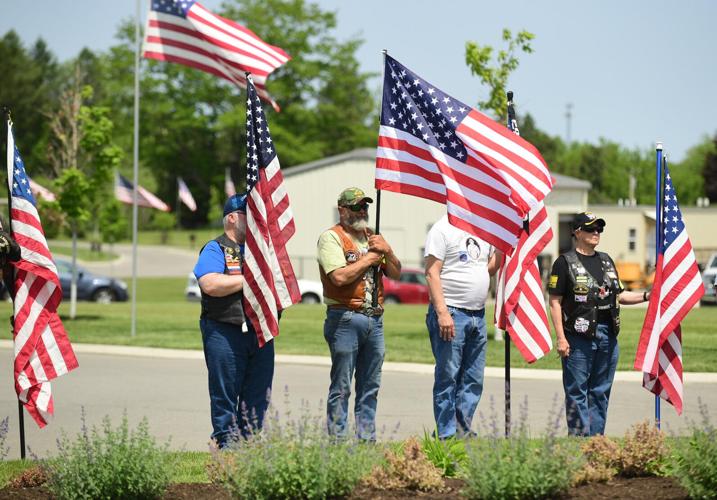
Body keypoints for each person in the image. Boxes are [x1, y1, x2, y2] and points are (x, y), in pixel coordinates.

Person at [548, 212, 649, 436]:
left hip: (607, 334)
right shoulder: (564, 263)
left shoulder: (606, 260)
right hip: (577, 337)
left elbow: (620, 296)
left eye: (599, 229)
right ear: (577, 232)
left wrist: (648, 296)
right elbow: (555, 302)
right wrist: (561, 338)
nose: (596, 233)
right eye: (591, 229)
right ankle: (579, 442)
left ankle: (596, 442)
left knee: (600, 391)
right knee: (577, 392)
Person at [317, 187, 401, 440]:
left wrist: (387, 250)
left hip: (375, 319)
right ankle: (338, 442)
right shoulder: (331, 238)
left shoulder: (373, 237)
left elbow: (396, 273)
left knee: (370, 385)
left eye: (364, 206)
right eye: (356, 207)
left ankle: (366, 441)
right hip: (345, 317)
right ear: (342, 210)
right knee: (342, 386)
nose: (362, 211)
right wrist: (370, 259)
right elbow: (339, 277)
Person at [194, 194, 274, 447]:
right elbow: (210, 283)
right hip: (224, 330)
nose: (254, 221)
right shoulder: (215, 248)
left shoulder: (260, 252)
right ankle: (227, 445)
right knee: (225, 392)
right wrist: (250, 280)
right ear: (231, 218)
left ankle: (249, 443)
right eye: (247, 215)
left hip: (259, 331)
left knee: (258, 393)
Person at [424, 215, 501, 439]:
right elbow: (431, 272)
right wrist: (442, 312)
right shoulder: (442, 228)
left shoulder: (482, 228)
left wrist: (504, 249)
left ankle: (462, 428)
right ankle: (446, 433)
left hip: (477, 314)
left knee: (473, 378)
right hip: (452, 313)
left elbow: (488, 269)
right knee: (448, 376)